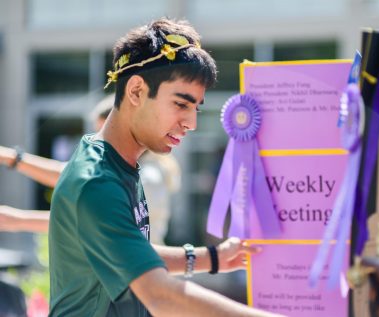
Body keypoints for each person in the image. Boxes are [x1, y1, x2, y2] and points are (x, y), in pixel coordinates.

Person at [47, 18, 283, 317]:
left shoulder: (116, 162)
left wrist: (212, 258)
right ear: (135, 91)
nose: (191, 123)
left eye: (195, 109)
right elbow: (160, 295)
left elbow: (129, 252)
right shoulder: (97, 181)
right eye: (180, 104)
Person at [0, 95, 181, 244]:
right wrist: (11, 158)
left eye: (105, 132)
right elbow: (72, 175)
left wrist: (16, 220)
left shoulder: (146, 178)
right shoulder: (129, 169)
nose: (99, 141)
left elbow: (87, 219)